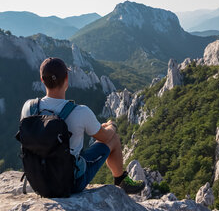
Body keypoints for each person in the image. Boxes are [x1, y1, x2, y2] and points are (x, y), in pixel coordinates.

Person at [20, 57, 145, 194]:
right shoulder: (80, 112)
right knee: (113, 138)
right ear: (67, 79)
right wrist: (111, 125)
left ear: (42, 80)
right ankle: (121, 181)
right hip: (69, 183)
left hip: (38, 181)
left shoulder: (29, 107)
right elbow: (105, 137)